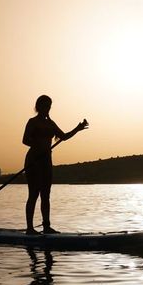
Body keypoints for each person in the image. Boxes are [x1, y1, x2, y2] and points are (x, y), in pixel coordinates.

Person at [22, 95, 87, 234]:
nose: (48, 108)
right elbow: (25, 140)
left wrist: (78, 128)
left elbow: (63, 137)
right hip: (34, 160)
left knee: (46, 194)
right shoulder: (32, 122)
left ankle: (46, 226)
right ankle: (29, 228)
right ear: (39, 107)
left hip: (46, 161)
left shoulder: (51, 124)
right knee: (34, 194)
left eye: (49, 105)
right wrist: (38, 146)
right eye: (45, 105)